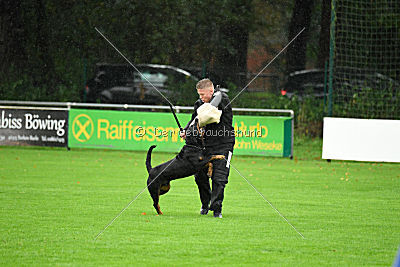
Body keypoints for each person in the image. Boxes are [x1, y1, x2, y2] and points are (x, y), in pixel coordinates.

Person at [181, 78, 235, 218]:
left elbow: (208, 111)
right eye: (199, 95)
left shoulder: (221, 98)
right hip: (205, 146)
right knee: (199, 176)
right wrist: (186, 130)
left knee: (219, 178)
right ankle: (205, 204)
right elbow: (194, 120)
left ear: (211, 91)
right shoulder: (200, 104)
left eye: (203, 95)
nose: (200, 98)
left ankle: (217, 209)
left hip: (224, 144)